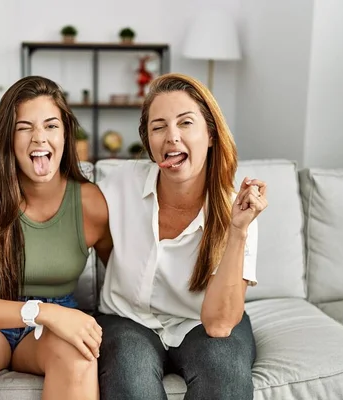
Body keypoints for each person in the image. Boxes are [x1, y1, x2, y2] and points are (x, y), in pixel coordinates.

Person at [0, 76, 112, 400]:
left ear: (66, 134)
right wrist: (40, 311)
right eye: (24, 127)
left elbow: (127, 282)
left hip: (51, 330)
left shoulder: (90, 203)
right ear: (7, 138)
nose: (39, 138)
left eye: (51, 125)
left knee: (79, 356)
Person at [95, 73, 268, 400]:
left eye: (185, 123)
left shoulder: (238, 209)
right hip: (128, 318)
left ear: (211, 135)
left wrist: (237, 231)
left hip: (201, 324)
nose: (171, 137)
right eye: (158, 127)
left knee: (226, 379)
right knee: (130, 375)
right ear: (148, 142)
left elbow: (218, 326)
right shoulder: (121, 183)